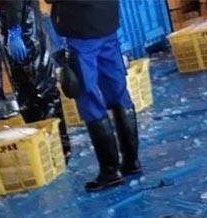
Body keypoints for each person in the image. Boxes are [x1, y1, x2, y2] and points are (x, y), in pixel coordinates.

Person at [48, 0, 140, 191]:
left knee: (88, 96)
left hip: (81, 29)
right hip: (107, 22)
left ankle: (110, 171)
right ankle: (131, 161)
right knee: (118, 91)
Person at [0, 0, 70, 158]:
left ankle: (59, 147)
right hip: (14, 32)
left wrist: (14, 29)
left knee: (44, 91)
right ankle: (44, 147)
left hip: (27, 32)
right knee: (27, 97)